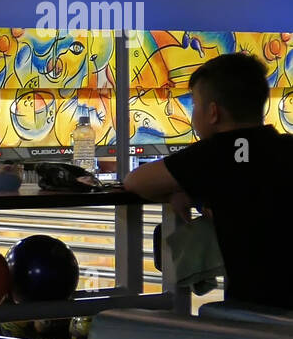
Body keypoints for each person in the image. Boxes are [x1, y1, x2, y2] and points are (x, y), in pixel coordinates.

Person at [124, 51, 293, 309]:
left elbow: (136, 181)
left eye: (195, 105)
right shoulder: (284, 146)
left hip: (260, 315)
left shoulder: (219, 152)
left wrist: (182, 186)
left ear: (213, 112)